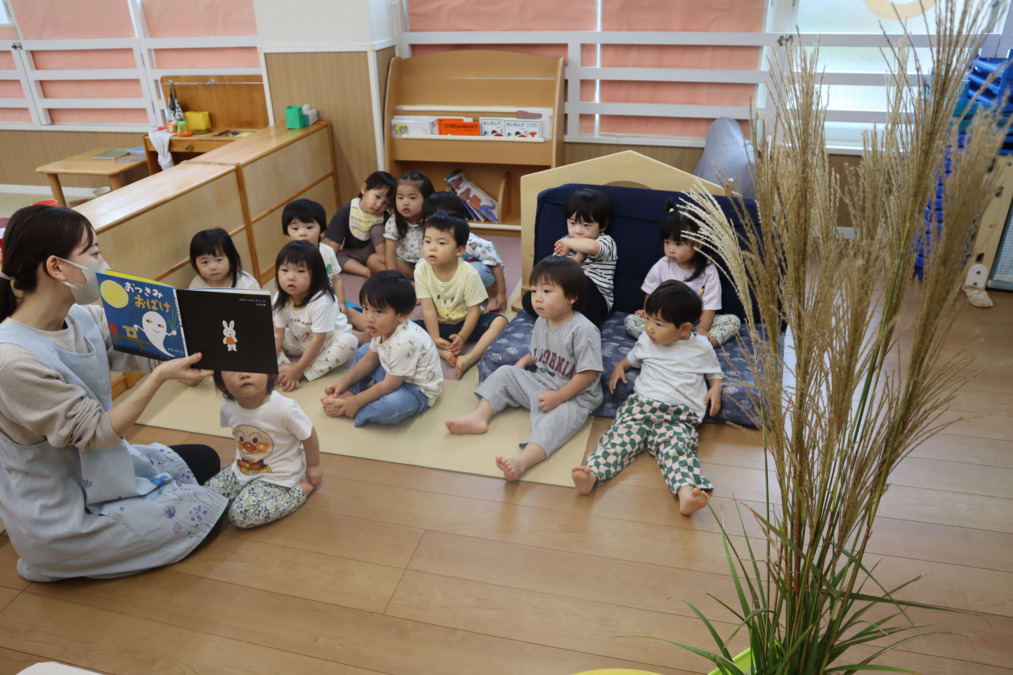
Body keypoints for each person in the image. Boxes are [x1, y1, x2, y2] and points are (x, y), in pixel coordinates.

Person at [0, 204, 227, 582]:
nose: (103, 262)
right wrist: (159, 379)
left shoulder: (80, 317)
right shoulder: (11, 361)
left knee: (203, 459)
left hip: (102, 468)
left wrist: (187, 360)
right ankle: (52, 560)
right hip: (65, 507)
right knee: (213, 511)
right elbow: (99, 435)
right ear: (56, 268)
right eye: (93, 253)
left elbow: (143, 351)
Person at [446, 257, 603, 482]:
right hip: (542, 383)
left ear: (571, 297)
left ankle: (522, 461)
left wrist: (559, 397)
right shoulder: (542, 320)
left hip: (574, 397)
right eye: (535, 289)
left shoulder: (584, 331)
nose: (537, 298)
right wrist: (523, 362)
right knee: (504, 372)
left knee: (554, 425)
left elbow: (588, 374)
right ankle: (479, 417)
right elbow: (543, 350)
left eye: (547, 291)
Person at [574, 280, 722, 516]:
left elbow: (714, 372)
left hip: (678, 416)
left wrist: (715, 387)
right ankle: (592, 474)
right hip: (641, 408)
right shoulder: (647, 340)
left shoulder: (702, 347)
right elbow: (630, 359)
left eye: (659, 323)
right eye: (648, 319)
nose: (649, 328)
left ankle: (687, 493)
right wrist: (619, 367)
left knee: (678, 450)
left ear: (684, 329)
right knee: (618, 440)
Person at [321, 270, 442, 426]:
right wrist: (343, 382)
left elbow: (390, 385)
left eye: (378, 311)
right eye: (365, 308)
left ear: (402, 315)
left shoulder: (405, 342)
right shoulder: (381, 328)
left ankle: (351, 407)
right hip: (395, 373)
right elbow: (369, 360)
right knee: (364, 351)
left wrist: (356, 402)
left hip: (415, 390)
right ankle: (350, 392)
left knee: (389, 407)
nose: (369, 318)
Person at [206, 370, 321, 528]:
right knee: (204, 498)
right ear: (221, 384)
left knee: (239, 515)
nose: (244, 374)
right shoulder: (228, 404)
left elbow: (308, 435)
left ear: (270, 373)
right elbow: (240, 433)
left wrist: (313, 466)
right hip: (241, 469)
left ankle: (298, 493)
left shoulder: (284, 408)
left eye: (251, 366)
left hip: (277, 478)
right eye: (232, 370)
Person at [624, 202, 740, 346]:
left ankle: (691, 343)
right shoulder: (662, 265)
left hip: (693, 324)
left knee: (733, 321)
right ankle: (682, 343)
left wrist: (703, 330)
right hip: (663, 323)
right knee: (630, 320)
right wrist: (649, 314)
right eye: (667, 242)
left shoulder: (708, 270)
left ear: (698, 244)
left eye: (678, 244)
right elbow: (651, 293)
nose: (671, 249)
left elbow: (710, 306)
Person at [414, 212, 509, 378]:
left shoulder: (468, 273)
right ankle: (442, 351)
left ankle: (470, 358)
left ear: (459, 250)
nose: (432, 247)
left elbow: (473, 311)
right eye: (427, 241)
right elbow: (428, 308)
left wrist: (463, 337)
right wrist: (435, 337)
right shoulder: (421, 271)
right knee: (405, 329)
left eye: (441, 243)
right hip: (439, 324)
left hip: (468, 322)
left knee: (501, 321)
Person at [522, 188, 617, 328]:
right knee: (529, 298)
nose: (578, 230)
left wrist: (569, 244)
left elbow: (591, 248)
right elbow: (555, 273)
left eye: (586, 225)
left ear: (603, 225)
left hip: (595, 301)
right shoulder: (564, 241)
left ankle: (583, 324)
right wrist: (578, 257)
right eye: (572, 223)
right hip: (567, 299)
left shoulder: (606, 241)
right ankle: (564, 318)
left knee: (581, 280)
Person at [272, 241, 360, 392]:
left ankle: (305, 372)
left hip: (327, 341)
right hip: (299, 340)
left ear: (315, 275)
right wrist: (270, 365)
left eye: (300, 271)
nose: (290, 277)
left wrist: (298, 370)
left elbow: (318, 340)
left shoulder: (321, 301)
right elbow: (278, 334)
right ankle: (283, 367)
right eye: (284, 270)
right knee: (265, 335)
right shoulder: (280, 298)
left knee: (349, 342)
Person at [419, 191, 509, 312]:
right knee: (422, 265)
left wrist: (501, 294)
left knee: (479, 270)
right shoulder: (430, 238)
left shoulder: (471, 241)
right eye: (428, 218)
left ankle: (491, 296)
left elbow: (495, 264)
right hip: (454, 275)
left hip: (478, 278)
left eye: (440, 218)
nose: (434, 223)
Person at [325, 170, 396, 278]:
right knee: (336, 256)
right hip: (355, 255)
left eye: (385, 203)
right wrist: (326, 270)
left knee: (378, 229)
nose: (379, 204)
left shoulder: (385, 217)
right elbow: (333, 246)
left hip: (377, 256)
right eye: (377, 196)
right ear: (364, 189)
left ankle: (381, 266)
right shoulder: (346, 211)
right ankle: (367, 272)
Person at [384, 171, 435, 280]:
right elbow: (390, 254)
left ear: (426, 199)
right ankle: (412, 280)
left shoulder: (431, 219)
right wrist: (393, 279)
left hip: (429, 263)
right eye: (400, 198)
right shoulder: (393, 221)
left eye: (412, 198)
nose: (405, 203)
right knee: (374, 260)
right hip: (404, 264)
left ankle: (423, 278)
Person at [188, 227, 261, 290]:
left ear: (231, 259)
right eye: (205, 262)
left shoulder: (247, 284)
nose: (213, 267)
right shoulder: (196, 284)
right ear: (195, 264)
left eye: (219, 260)